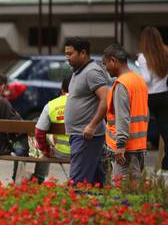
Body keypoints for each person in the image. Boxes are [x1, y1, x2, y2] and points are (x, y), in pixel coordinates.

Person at [0, 74, 48, 181]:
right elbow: (19, 125)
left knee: (23, 142)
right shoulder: (1, 103)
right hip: (0, 147)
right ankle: (35, 178)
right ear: (2, 87)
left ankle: (22, 178)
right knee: (34, 144)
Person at [63, 37, 110, 185]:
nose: (67, 58)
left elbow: (106, 99)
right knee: (95, 185)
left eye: (70, 54)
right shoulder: (78, 71)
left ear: (83, 53)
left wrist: (92, 125)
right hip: (79, 134)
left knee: (77, 184)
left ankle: (75, 207)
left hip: (86, 136)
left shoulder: (92, 72)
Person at [102, 44, 149, 180]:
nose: (106, 69)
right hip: (138, 146)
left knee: (124, 193)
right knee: (134, 190)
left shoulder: (122, 84)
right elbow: (145, 112)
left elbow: (122, 117)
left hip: (125, 151)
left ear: (113, 60)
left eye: (106, 64)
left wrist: (120, 146)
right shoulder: (139, 81)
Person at [138, 26, 168, 178]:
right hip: (164, 96)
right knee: (165, 133)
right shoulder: (166, 52)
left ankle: (137, 165)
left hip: (149, 98)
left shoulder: (143, 57)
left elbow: (146, 80)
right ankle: (165, 168)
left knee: (140, 131)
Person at [32, 76, 72, 182]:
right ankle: (102, 185)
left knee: (42, 151)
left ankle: (38, 179)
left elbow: (39, 133)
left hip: (59, 152)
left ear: (62, 89)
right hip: (82, 153)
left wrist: (46, 150)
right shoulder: (87, 104)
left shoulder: (52, 105)